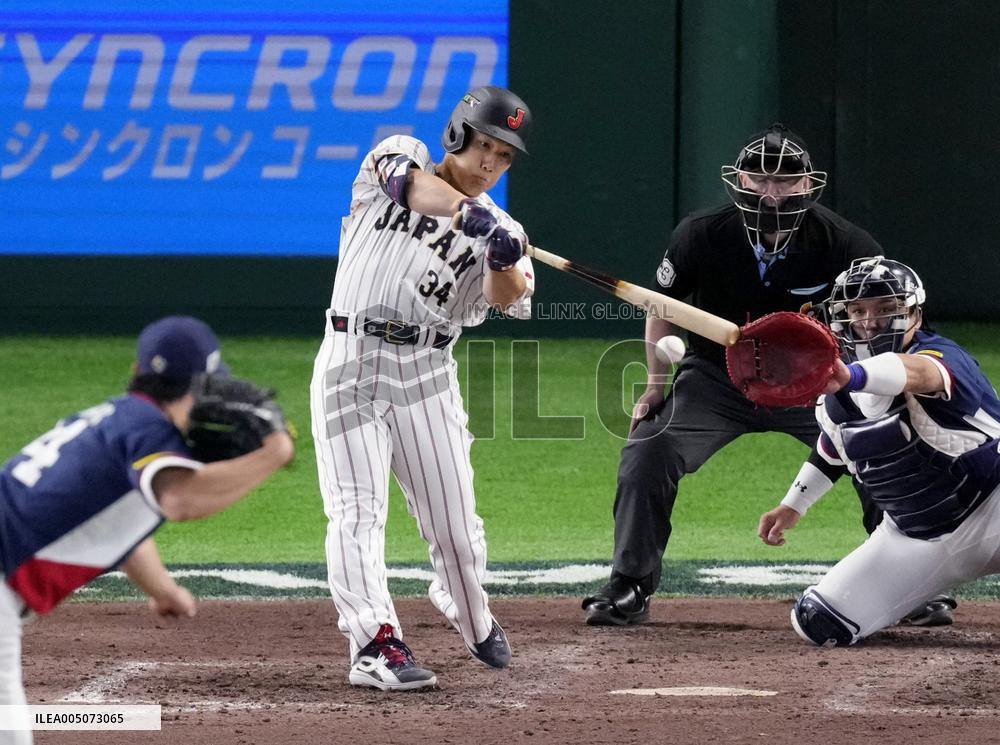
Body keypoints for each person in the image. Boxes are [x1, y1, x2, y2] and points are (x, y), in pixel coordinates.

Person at [580, 123, 926, 627]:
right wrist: (655, 388)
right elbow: (661, 307)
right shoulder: (699, 235)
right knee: (648, 450)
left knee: (880, 449)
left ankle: (909, 584)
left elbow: (887, 322)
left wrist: (867, 387)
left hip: (817, 380)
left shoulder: (847, 243)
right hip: (718, 379)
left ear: (808, 184)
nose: (771, 192)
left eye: (785, 181)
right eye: (759, 180)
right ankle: (630, 583)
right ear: (739, 180)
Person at [309, 86, 536, 691]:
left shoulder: (506, 231)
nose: (490, 163)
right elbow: (410, 189)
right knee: (357, 510)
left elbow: (508, 299)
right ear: (458, 136)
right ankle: (374, 642)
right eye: (484, 146)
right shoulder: (397, 154)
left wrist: (501, 258)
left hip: (426, 374)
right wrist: (469, 216)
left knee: (456, 530)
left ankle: (470, 610)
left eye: (504, 156)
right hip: (350, 360)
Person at [0, 316, 295, 744]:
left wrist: (164, 592)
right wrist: (275, 454)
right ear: (200, 386)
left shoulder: (119, 417)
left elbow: (126, 530)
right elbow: (180, 500)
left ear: (139, 372)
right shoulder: (149, 429)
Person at [757, 256, 1000, 645]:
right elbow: (833, 449)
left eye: (886, 310)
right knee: (819, 622)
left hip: (993, 507)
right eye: (858, 311)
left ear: (914, 313)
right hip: (916, 538)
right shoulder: (837, 396)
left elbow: (914, 372)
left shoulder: (941, 356)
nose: (870, 322)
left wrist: (849, 376)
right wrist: (793, 505)